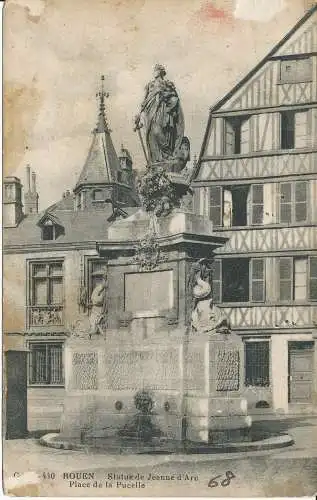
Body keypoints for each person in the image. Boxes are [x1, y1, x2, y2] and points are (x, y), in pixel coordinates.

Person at [135, 64, 185, 163]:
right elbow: (144, 101)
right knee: (153, 134)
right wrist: (139, 115)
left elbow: (175, 97)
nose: (154, 72)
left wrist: (166, 97)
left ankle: (167, 154)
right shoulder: (150, 85)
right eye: (154, 70)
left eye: (156, 70)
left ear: (161, 72)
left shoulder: (167, 84)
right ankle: (157, 159)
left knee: (160, 132)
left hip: (164, 111)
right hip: (151, 111)